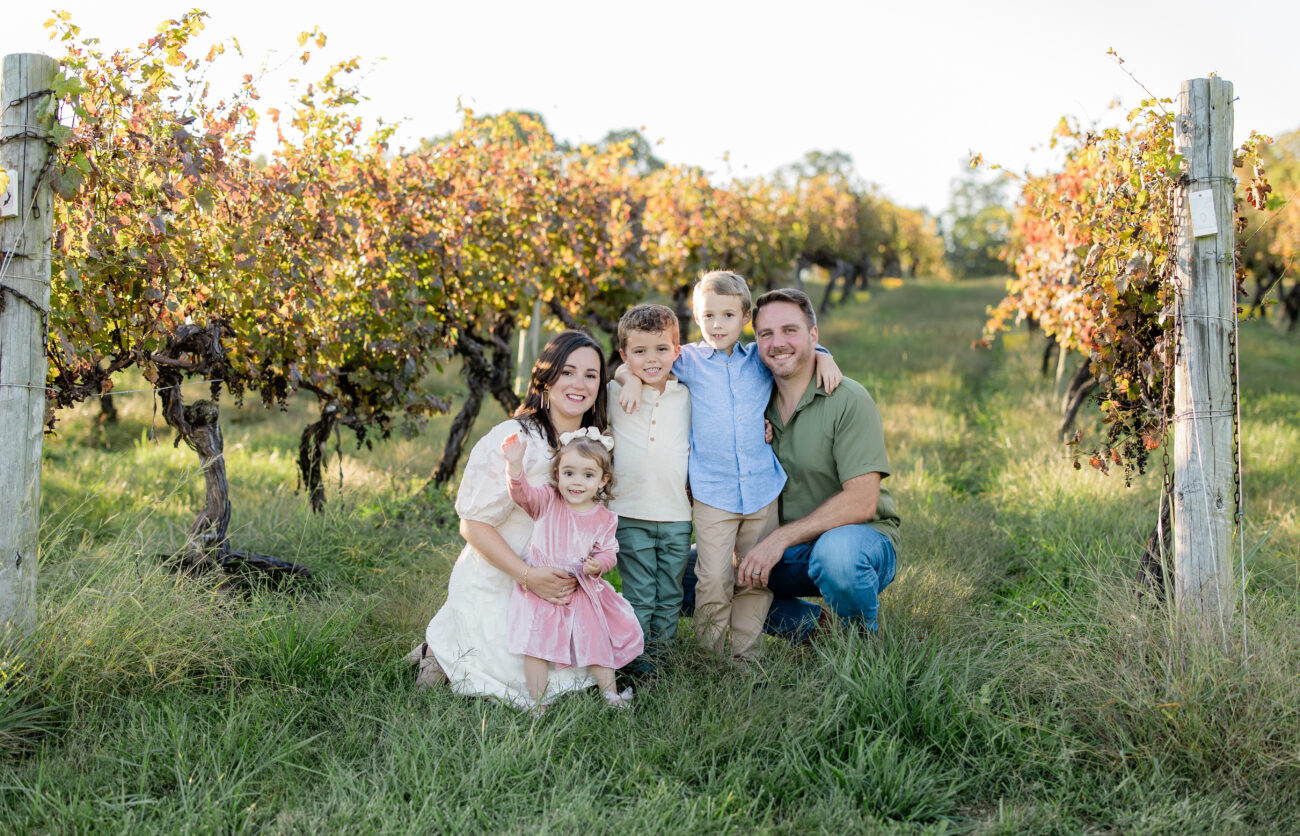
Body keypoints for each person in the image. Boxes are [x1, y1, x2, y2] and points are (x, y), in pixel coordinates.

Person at [618, 272, 841, 662]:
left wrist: (826, 356)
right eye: (708, 316)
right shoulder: (685, 359)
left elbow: (798, 351)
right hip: (712, 493)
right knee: (714, 579)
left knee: (755, 577)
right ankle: (711, 655)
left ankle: (745, 656)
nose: (717, 325)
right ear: (696, 317)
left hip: (760, 489)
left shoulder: (758, 357)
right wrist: (629, 380)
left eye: (728, 315)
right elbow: (639, 361)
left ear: (746, 317)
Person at [411, 330, 612, 708]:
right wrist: (527, 576)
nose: (579, 384)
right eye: (567, 372)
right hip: (504, 575)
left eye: (591, 375)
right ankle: (439, 650)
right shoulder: (514, 439)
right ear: (545, 380)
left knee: (577, 673)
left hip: (561, 585)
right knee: (504, 676)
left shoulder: (597, 444)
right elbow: (471, 524)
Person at [735, 288, 900, 640]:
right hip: (782, 552)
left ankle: (861, 644)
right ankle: (816, 630)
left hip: (858, 542)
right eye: (766, 334)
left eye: (790, 330)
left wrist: (779, 538)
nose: (778, 342)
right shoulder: (747, 399)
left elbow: (862, 501)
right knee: (688, 573)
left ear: (814, 335)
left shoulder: (848, 399)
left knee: (837, 556)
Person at [501, 428, 642, 709]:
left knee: (597, 638)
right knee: (536, 645)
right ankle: (537, 701)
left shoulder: (603, 518)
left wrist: (597, 565)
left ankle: (610, 695)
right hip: (543, 589)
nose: (576, 482)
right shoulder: (548, 501)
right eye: (569, 473)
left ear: (603, 481)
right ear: (557, 475)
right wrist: (514, 465)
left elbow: (608, 552)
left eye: (587, 475)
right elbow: (522, 495)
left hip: (581, 588)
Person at [606, 304, 692, 676]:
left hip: (676, 515)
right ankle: (635, 667)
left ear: (677, 350)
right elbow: (614, 374)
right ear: (625, 355)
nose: (651, 359)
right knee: (641, 595)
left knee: (670, 595)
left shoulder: (687, 395)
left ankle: (661, 660)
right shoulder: (613, 391)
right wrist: (629, 379)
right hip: (630, 512)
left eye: (661, 349)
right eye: (639, 352)